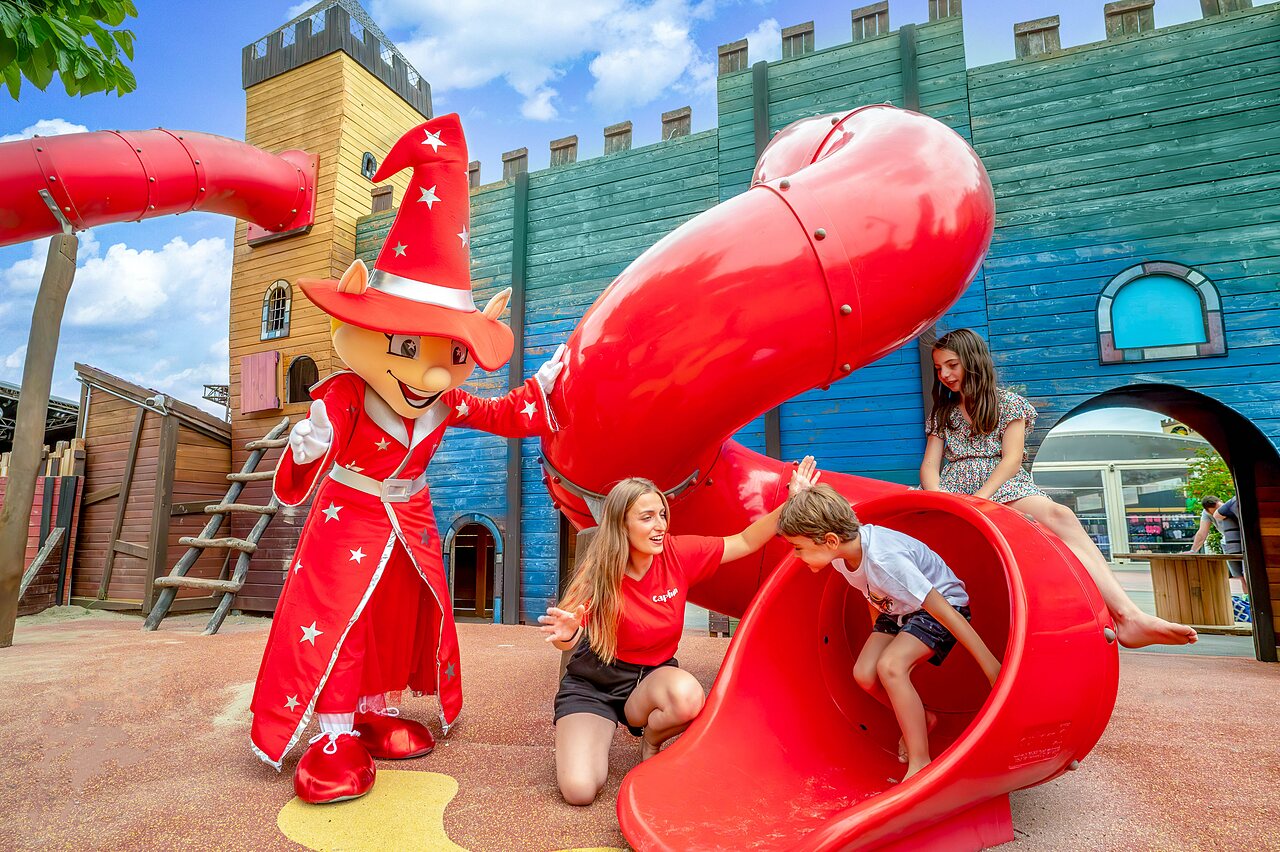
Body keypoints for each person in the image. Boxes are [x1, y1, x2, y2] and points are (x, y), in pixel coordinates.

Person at [538, 458, 820, 806]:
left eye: (661, 514)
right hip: (594, 685)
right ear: (621, 525)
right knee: (580, 791)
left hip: (648, 681)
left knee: (688, 696)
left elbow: (745, 542)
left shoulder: (677, 553)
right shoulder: (599, 572)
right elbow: (567, 638)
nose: (659, 525)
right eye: (646, 517)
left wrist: (792, 503)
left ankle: (651, 740)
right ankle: (597, 731)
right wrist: (568, 635)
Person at [920, 328, 1196, 648]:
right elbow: (929, 465)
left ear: (972, 361)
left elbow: (1011, 461)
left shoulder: (1010, 404)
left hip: (1001, 483)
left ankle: (1128, 615)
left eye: (951, 365)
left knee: (1060, 515)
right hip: (954, 486)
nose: (944, 374)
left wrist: (981, 498)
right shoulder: (943, 413)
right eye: (939, 368)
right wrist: (942, 497)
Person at [777, 484, 1001, 782]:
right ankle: (922, 717)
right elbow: (873, 594)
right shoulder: (842, 557)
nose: (796, 556)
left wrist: (991, 668)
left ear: (829, 540)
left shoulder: (886, 560)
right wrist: (881, 637)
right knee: (865, 674)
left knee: (890, 667)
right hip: (897, 609)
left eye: (798, 547)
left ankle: (921, 763)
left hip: (943, 605)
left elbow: (944, 610)